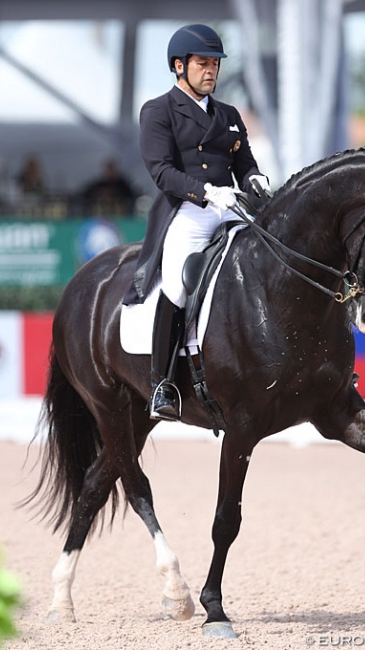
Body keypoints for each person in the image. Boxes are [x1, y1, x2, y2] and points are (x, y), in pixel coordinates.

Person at [123, 24, 270, 421]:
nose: (211, 71)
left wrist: (255, 178)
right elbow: (162, 171)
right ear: (179, 66)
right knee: (176, 284)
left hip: (232, 207)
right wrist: (206, 192)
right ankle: (163, 383)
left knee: (275, 261)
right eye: (202, 63)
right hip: (189, 211)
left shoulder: (228, 114)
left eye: (215, 64)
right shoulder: (159, 110)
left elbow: (245, 162)